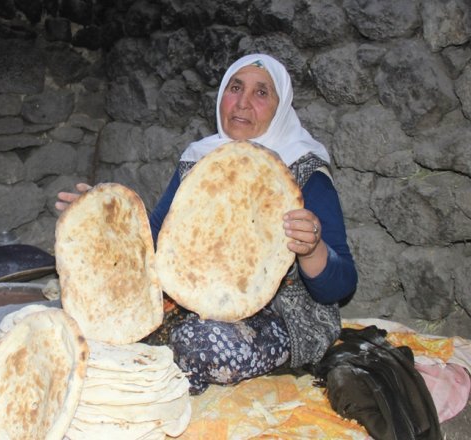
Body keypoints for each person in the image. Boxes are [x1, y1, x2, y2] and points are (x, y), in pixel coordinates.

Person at [56, 54, 357, 394]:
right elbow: (153, 248)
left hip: (284, 319)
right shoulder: (199, 162)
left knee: (200, 345)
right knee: (94, 322)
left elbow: (340, 286)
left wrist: (313, 249)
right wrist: (100, 223)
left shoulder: (302, 173)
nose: (242, 103)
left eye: (261, 93)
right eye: (235, 87)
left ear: (280, 107)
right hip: (192, 307)